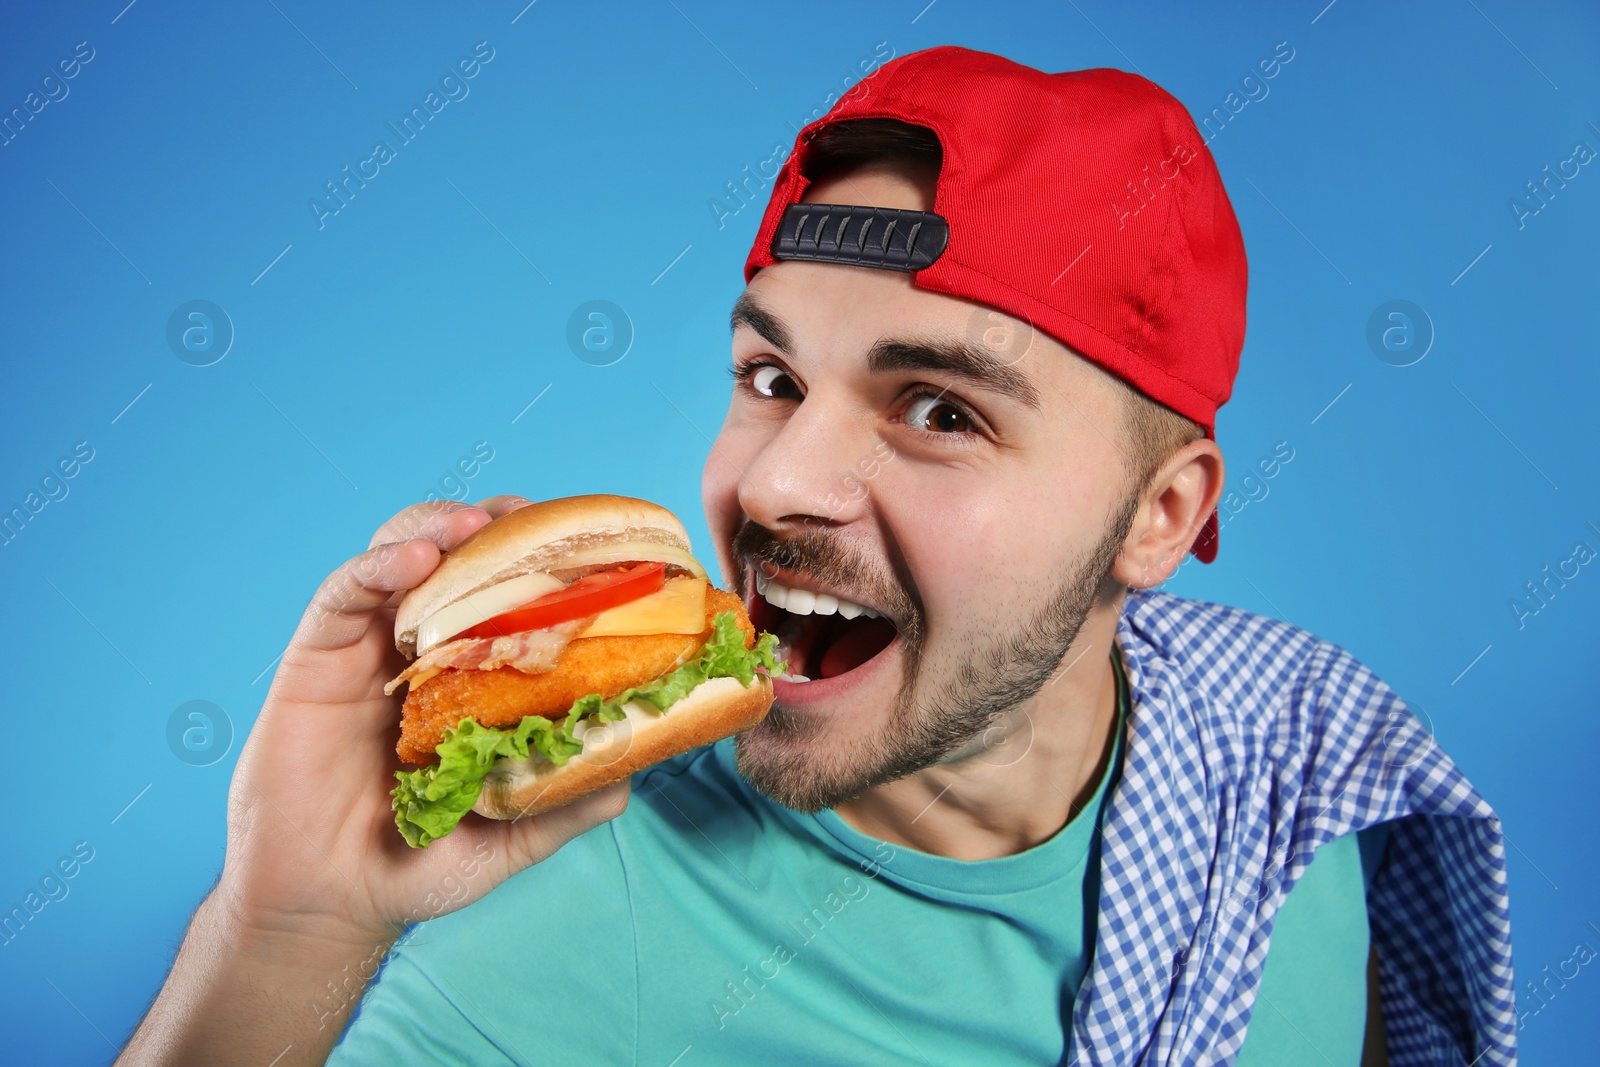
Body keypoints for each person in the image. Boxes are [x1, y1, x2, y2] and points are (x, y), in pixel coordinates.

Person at [118, 47, 1515, 1066]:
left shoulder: (1295, 769)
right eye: (772, 378)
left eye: (940, 410)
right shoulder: (543, 955)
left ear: (1158, 516)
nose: (776, 482)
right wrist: (285, 931)